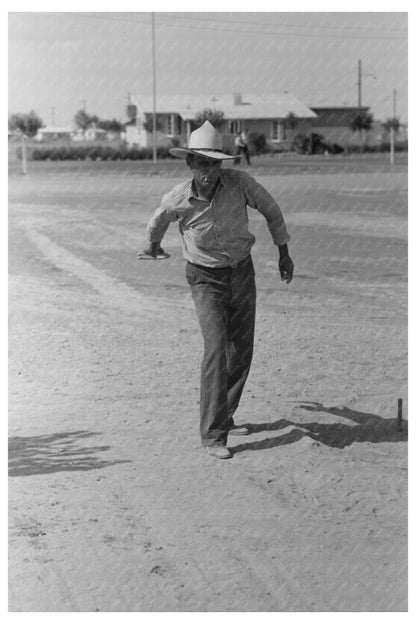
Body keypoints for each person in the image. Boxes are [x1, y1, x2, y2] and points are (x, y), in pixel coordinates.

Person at [142, 121, 294, 459]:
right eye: (202, 163)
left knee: (240, 348)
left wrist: (283, 252)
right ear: (191, 164)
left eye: (214, 163)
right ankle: (213, 435)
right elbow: (158, 221)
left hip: (241, 271)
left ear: (222, 164)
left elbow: (271, 210)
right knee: (216, 348)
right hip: (204, 278)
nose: (208, 171)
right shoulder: (179, 197)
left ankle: (225, 413)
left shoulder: (241, 184)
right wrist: (153, 245)